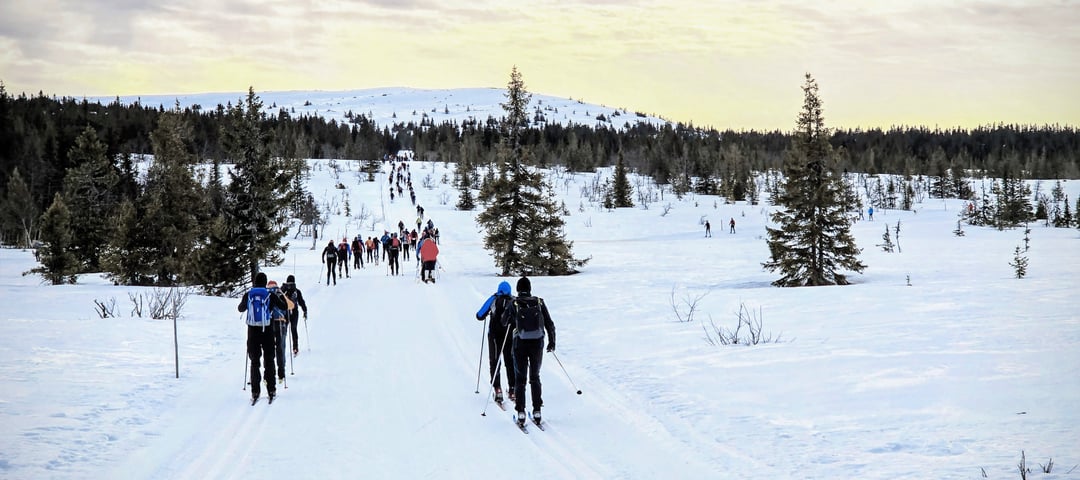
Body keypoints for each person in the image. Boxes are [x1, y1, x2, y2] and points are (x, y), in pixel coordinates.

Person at [503, 276, 556, 426]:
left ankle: (520, 412)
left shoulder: (513, 303)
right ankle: (537, 410)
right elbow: (549, 323)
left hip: (519, 343)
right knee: (535, 377)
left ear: (518, 289)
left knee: (520, 378)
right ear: (530, 288)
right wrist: (552, 342)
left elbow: (503, 321)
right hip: (537, 343)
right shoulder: (539, 302)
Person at [238, 272, 289, 404]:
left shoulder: (249, 294)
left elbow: (240, 308)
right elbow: (284, 306)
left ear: (255, 282)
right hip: (267, 331)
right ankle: (271, 390)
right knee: (269, 360)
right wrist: (280, 294)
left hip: (252, 332)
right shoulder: (270, 295)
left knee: (255, 361)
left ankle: (255, 391)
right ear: (265, 282)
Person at [475, 281, 516, 403]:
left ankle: (497, 389)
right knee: (510, 361)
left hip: (494, 335)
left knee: (495, 361)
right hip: (509, 335)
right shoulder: (513, 301)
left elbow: (479, 315)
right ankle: (513, 389)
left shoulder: (494, 298)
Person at [266, 280, 293, 381]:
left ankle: (269, 372)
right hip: (281, 323)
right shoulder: (279, 295)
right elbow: (291, 306)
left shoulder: (266, 296)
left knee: (270, 348)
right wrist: (282, 293)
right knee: (281, 347)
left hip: (269, 324)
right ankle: (281, 371)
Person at [281, 274, 308, 357]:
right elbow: (301, 302)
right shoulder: (297, 291)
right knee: (294, 329)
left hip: (285, 312)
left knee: (284, 330)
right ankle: (295, 347)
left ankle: (281, 347)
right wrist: (305, 311)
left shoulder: (283, 289)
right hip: (295, 312)